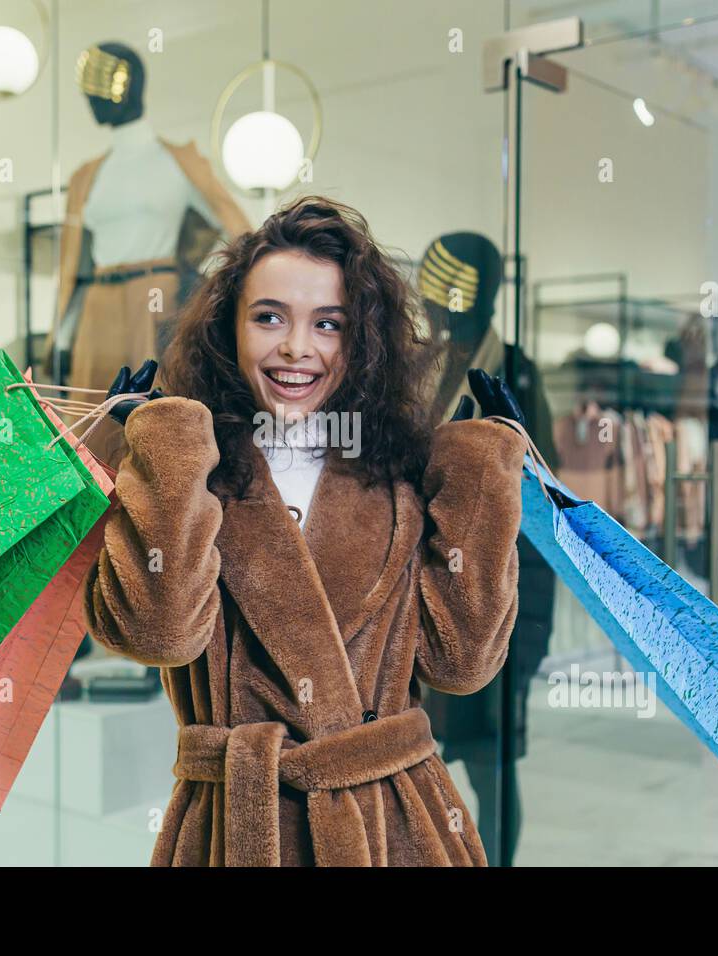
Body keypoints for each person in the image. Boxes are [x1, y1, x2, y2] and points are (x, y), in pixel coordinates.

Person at [85, 196, 530, 866]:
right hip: (238, 825)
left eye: (329, 324)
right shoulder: (186, 474)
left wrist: (482, 466)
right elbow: (161, 632)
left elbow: (462, 665)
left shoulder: (401, 474)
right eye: (269, 318)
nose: (297, 347)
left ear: (361, 339)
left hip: (394, 828)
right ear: (228, 327)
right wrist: (166, 449)